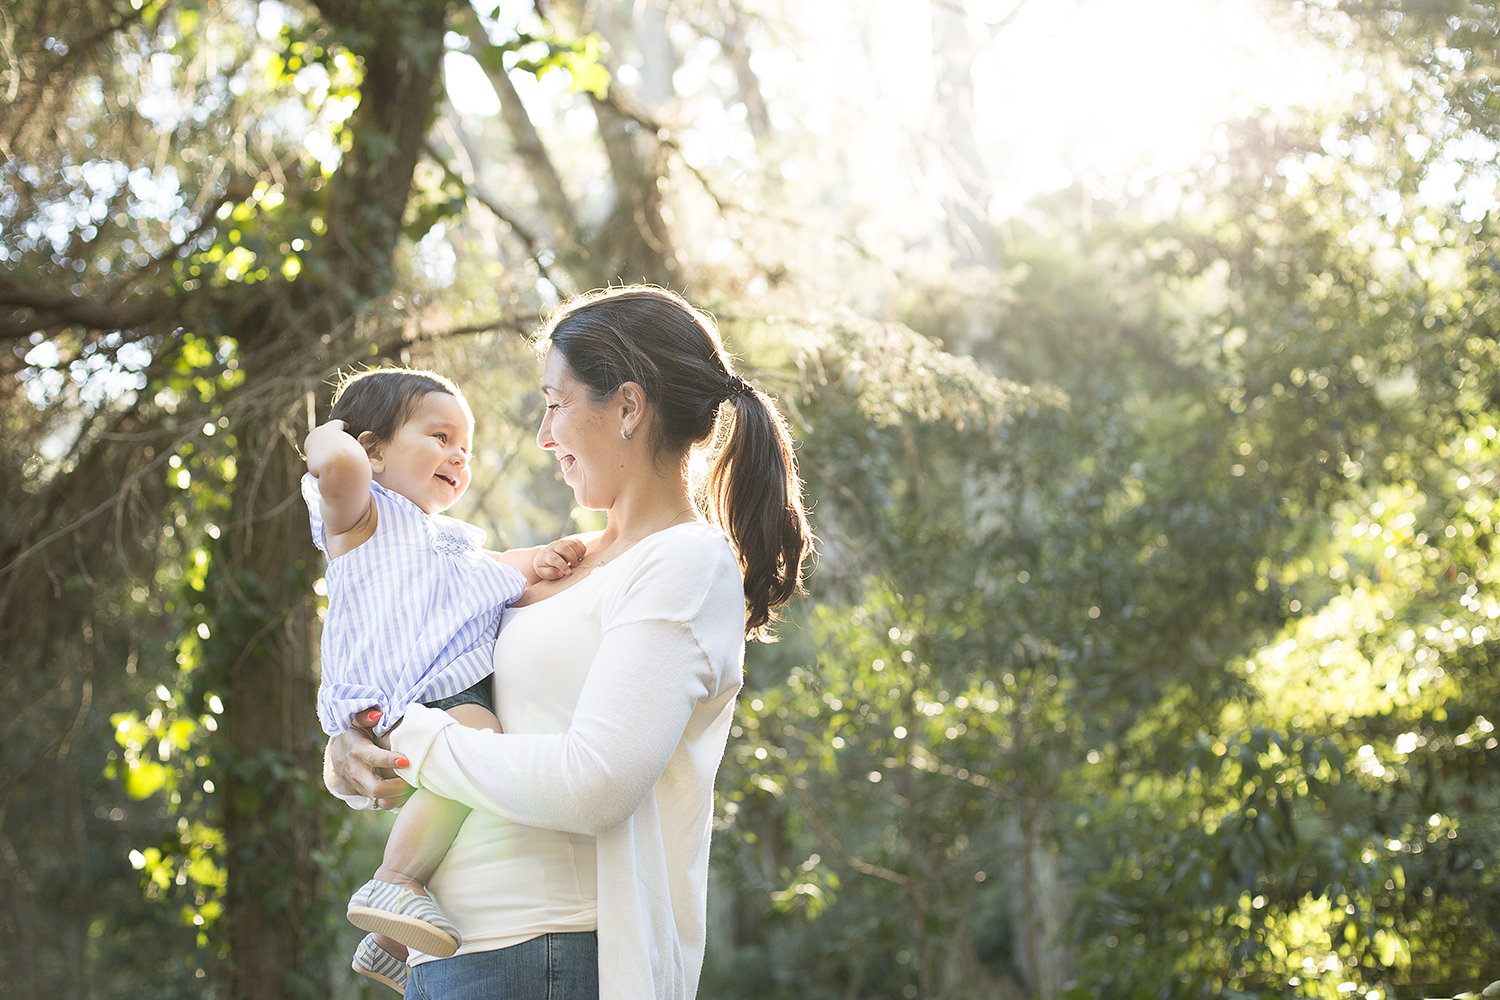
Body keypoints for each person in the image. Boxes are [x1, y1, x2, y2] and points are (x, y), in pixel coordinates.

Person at [324, 285, 813, 1000]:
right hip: (445, 955)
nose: (544, 436)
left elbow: (596, 784)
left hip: (549, 954)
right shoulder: (566, 559)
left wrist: (413, 736)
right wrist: (353, 755)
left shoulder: (684, 563)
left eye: (555, 404)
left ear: (626, 407)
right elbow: (427, 680)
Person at [302, 368, 584, 991]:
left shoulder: (446, 541)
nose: (458, 455)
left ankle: (387, 942)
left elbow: (493, 571)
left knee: (465, 766)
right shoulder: (363, 517)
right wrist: (327, 439)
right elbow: (340, 470)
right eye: (439, 435)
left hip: (430, 691)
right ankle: (395, 880)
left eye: (466, 447)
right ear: (373, 450)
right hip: (408, 693)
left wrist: (539, 560)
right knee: (475, 743)